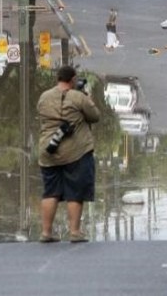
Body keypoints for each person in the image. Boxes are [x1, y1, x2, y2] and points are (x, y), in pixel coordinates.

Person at [37, 65, 100, 243]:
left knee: (50, 192)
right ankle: (74, 232)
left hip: (48, 150)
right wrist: (89, 99)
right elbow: (94, 116)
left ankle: (46, 233)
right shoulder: (78, 97)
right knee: (75, 191)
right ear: (72, 80)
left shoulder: (44, 96)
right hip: (76, 152)